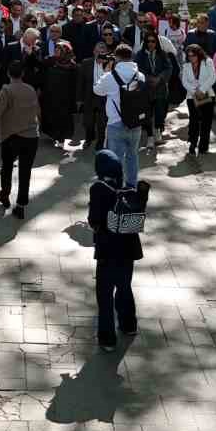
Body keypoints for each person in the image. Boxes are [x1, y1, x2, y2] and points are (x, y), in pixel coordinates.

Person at [89, 148, 149, 352]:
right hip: (128, 249)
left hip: (107, 250)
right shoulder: (129, 192)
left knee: (104, 294)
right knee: (124, 287)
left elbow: (94, 220)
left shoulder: (98, 189)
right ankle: (128, 324)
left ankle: (107, 338)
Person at [0, 60, 41, 219]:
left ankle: (5, 195)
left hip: (11, 136)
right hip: (31, 136)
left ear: (8, 74)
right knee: (25, 172)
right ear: (23, 74)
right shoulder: (31, 89)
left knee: (7, 167)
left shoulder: (6, 90)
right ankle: (21, 205)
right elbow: (37, 111)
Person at [92, 45, 146, 187]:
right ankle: (131, 186)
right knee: (132, 156)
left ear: (117, 57)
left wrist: (106, 71)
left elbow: (97, 90)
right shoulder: (140, 76)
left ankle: (115, 187)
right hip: (135, 123)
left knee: (115, 159)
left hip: (115, 123)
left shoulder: (110, 76)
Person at [178, 44, 216, 156]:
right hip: (192, 96)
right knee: (194, 121)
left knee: (206, 122)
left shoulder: (208, 62)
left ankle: (203, 147)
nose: (191, 58)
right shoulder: (186, 66)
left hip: (207, 95)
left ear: (199, 54)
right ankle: (192, 144)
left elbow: (212, 77)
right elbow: (184, 82)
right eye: (189, 56)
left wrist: (202, 90)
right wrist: (195, 91)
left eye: (193, 55)